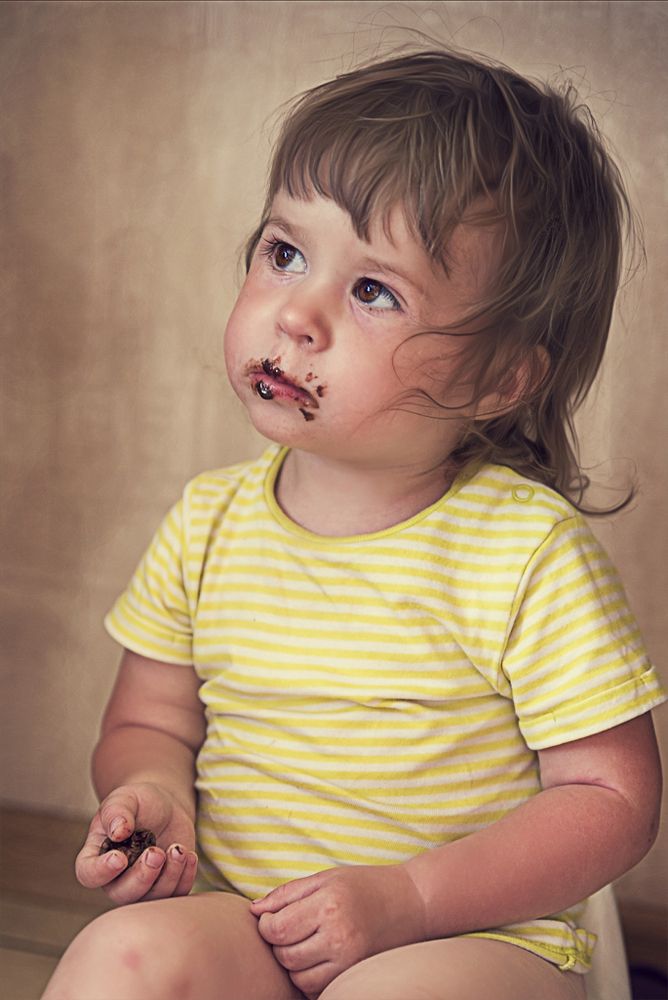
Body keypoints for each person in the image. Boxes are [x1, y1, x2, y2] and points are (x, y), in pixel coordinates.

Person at [43, 48, 665, 1000]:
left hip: (469, 938)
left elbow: (612, 802)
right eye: (285, 253)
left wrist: (409, 898)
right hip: (251, 921)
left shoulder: (526, 552)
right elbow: (146, 720)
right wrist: (155, 792)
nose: (296, 314)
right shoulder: (208, 523)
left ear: (499, 378)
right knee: (116, 956)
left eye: (374, 291)